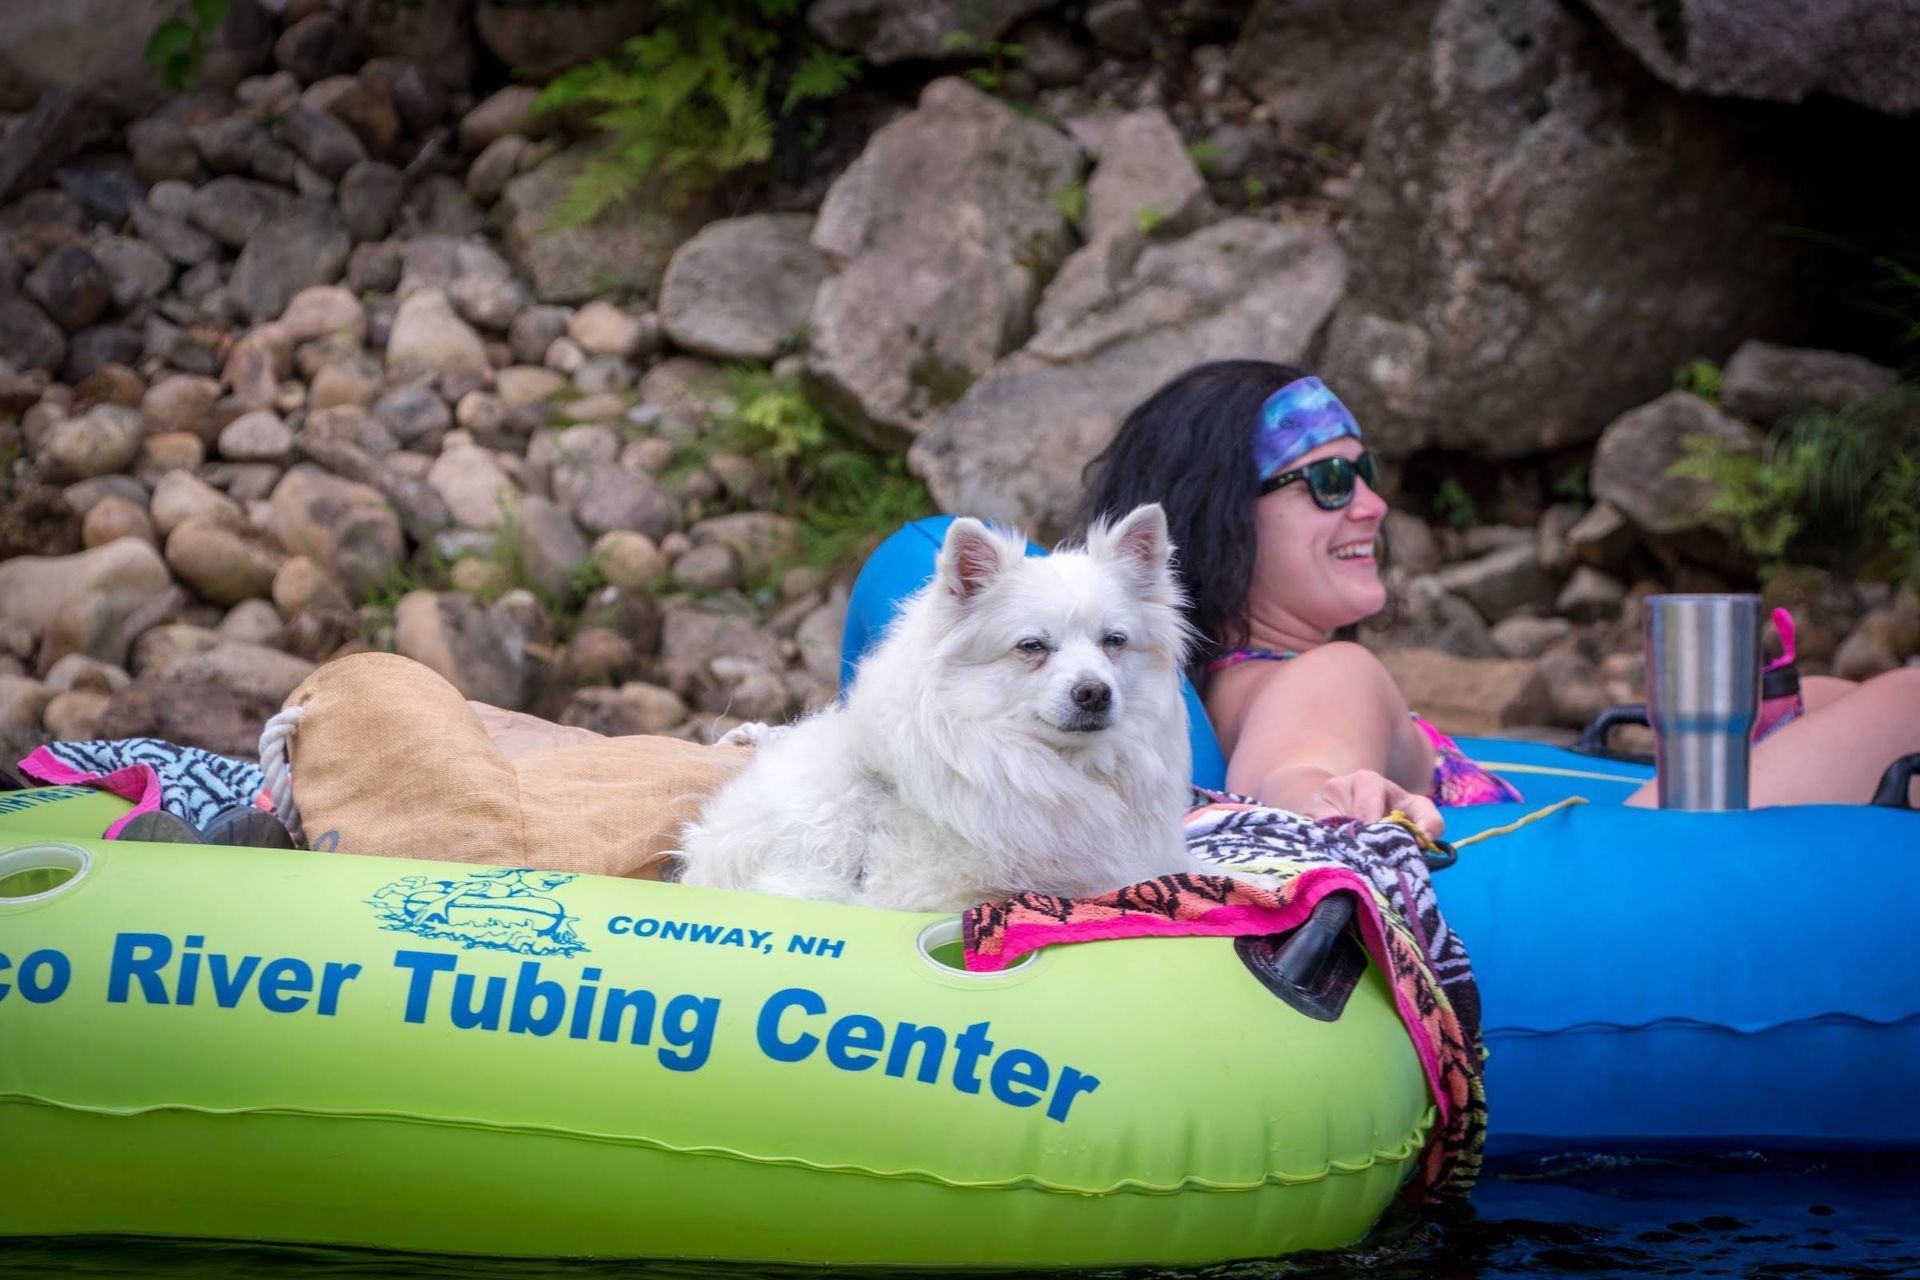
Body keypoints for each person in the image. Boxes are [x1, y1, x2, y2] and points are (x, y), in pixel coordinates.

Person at [1074, 359, 1920, 833]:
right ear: (1224, 515)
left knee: (1833, 698)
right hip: (1651, 868)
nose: (1371, 503)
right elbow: (1289, 788)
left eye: (1364, 472)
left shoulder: (1243, 680)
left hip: (1632, 853)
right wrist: (1329, 796)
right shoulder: (1322, 674)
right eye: (1328, 480)